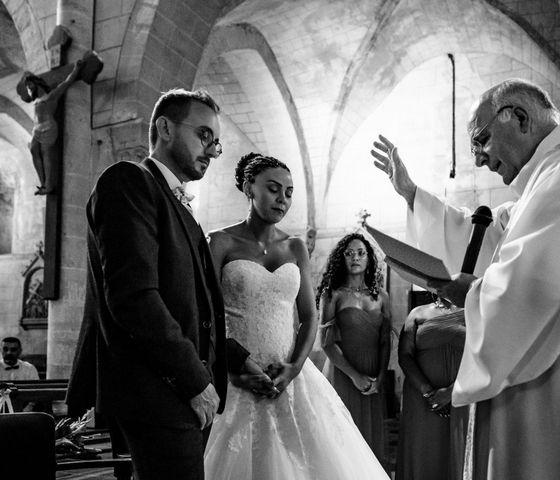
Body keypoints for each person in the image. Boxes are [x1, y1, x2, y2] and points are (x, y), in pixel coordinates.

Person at [371, 78, 560, 479]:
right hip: (539, 383)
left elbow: (544, 288)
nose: (479, 159)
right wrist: (411, 194)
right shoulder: (549, 180)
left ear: (518, 117)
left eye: (481, 140)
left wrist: (475, 295)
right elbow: (489, 241)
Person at [66, 88, 256, 480]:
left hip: (175, 394)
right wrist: (194, 380)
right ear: (165, 128)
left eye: (216, 142)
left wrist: (236, 359)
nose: (213, 151)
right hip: (158, 392)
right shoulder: (128, 182)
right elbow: (135, 297)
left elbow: (191, 305)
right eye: (204, 135)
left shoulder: (180, 206)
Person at [204, 153, 389, 479]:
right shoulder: (220, 242)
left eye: (289, 192)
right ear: (249, 186)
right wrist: (232, 367)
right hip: (235, 375)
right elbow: (206, 314)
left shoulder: (295, 247)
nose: (282, 199)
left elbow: (308, 316)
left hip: (289, 374)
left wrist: (292, 369)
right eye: (273, 189)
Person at [316, 233, 391, 462]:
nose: (355, 257)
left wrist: (379, 377)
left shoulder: (382, 297)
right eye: (349, 253)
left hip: (372, 376)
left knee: (369, 443)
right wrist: (354, 376)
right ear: (342, 259)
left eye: (360, 253)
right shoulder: (332, 295)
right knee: (343, 442)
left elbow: (385, 341)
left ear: (369, 258)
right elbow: (326, 343)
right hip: (343, 373)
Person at [396, 302, 466, 480]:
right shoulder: (417, 313)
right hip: (421, 398)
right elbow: (405, 356)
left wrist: (450, 392)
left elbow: (485, 355)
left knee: (460, 450)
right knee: (423, 450)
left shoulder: (477, 310)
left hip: (463, 395)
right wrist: (428, 392)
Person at [24, 60, 83, 195]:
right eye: (27, 86)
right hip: (37, 128)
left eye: (30, 84)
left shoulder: (51, 96)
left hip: (48, 128)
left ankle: (48, 185)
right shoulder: (37, 100)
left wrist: (76, 69)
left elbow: (66, 83)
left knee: (46, 154)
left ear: (36, 83)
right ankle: (42, 183)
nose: (29, 87)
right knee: (33, 151)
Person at [0, 337, 39, 412]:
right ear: (0, 350)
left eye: (13, 349)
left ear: (20, 351)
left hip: (25, 408)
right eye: (5, 349)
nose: (9, 353)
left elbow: (36, 392)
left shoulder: (29, 368)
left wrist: (28, 408)